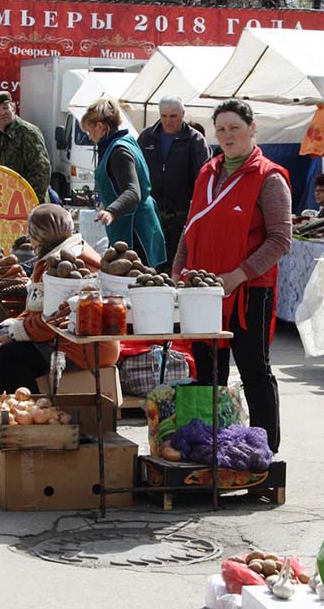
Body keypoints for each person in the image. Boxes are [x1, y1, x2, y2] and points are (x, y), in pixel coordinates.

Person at [172, 99, 292, 453]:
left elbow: (280, 240)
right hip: (203, 290)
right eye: (221, 129)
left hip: (249, 291)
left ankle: (264, 451)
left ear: (252, 129)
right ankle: (208, 448)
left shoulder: (269, 178)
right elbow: (190, 226)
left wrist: (238, 275)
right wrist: (178, 269)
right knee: (208, 372)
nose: (227, 135)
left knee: (254, 370)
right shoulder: (208, 172)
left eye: (235, 128)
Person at [0, 204, 119, 393]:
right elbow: (38, 311)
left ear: (38, 237)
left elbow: (55, 321)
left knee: (7, 356)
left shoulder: (68, 267)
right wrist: (7, 327)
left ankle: (32, 410)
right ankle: (11, 406)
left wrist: (13, 334)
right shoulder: (52, 262)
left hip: (83, 350)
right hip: (59, 340)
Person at [82, 98, 167, 269]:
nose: (90, 137)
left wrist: (111, 212)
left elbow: (133, 192)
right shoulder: (127, 141)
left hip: (135, 230)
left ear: (99, 126)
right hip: (140, 224)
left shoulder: (119, 151)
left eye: (89, 131)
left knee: (136, 287)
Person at [137, 95, 212, 269]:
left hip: (182, 214)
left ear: (183, 114)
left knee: (178, 264)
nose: (168, 121)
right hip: (152, 213)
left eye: (173, 116)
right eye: (164, 116)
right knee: (150, 263)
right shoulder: (146, 137)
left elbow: (205, 178)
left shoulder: (196, 140)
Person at [0, 90, 51, 202]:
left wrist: (28, 201)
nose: (2, 112)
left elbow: (41, 171)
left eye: (6, 108)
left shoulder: (27, 132)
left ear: (13, 108)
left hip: (26, 204)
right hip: (4, 202)